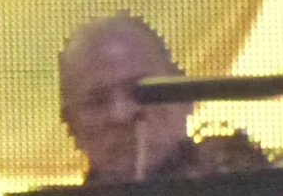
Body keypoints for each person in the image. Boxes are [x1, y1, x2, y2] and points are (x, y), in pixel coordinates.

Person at [57, 12, 265, 183]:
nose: (122, 115)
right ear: (71, 124)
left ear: (184, 98)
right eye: (96, 102)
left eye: (141, 92)